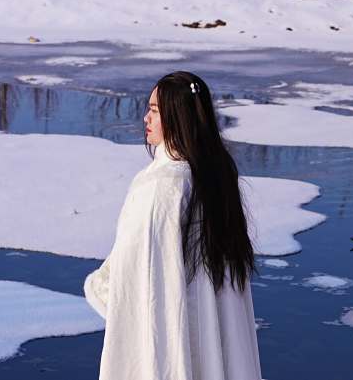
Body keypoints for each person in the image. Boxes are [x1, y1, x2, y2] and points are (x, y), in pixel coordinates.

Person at [83, 71, 263, 380]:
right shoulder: (216, 177)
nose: (145, 119)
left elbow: (141, 281)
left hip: (177, 332)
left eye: (154, 110)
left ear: (176, 117)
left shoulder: (162, 187)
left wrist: (100, 287)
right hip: (210, 335)